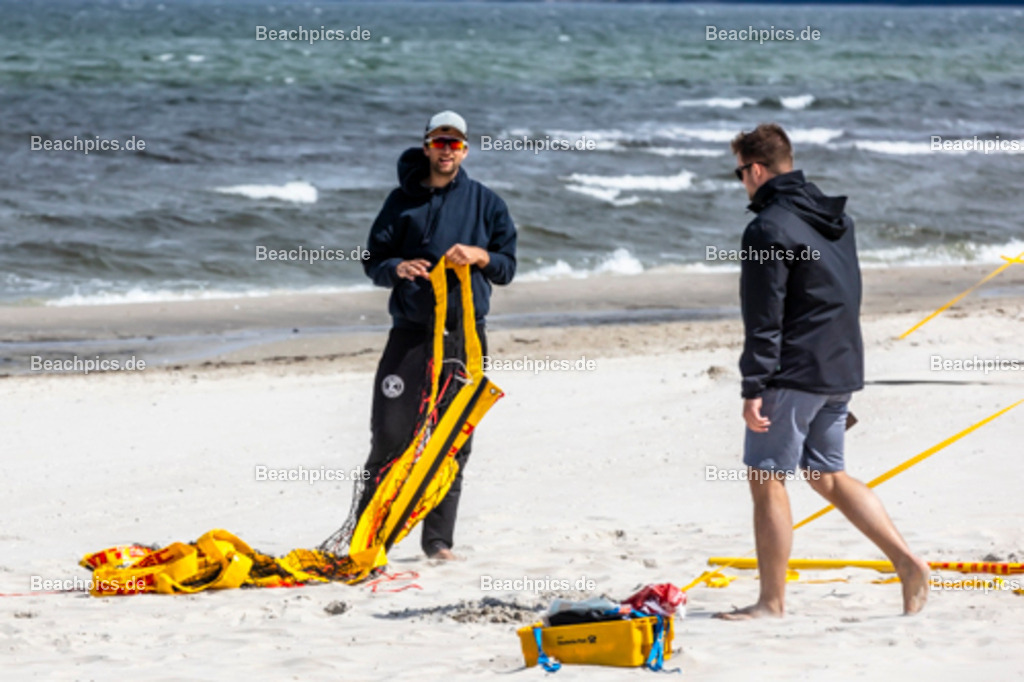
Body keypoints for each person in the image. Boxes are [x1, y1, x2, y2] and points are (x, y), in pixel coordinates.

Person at [717, 123, 929, 619]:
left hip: (794, 371)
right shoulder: (836, 219)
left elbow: (764, 317)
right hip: (840, 365)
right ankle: (907, 561)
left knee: (767, 474)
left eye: (739, 174)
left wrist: (754, 385)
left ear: (756, 170)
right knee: (826, 474)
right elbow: (844, 292)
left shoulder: (767, 227)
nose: (742, 184)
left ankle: (771, 603)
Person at [359, 110, 517, 561]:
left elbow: (507, 267)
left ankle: (437, 542)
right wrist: (397, 268)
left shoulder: (487, 203)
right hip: (410, 333)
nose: (447, 150)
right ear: (426, 146)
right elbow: (373, 259)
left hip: (464, 337)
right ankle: (371, 537)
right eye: (439, 141)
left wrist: (482, 256)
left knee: (453, 439)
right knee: (390, 436)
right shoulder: (400, 201)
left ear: (465, 150)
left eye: (455, 143)